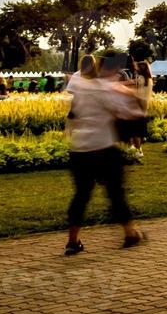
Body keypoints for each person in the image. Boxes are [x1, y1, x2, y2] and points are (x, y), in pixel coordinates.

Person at [65, 54, 144, 255]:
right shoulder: (108, 88)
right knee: (116, 192)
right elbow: (130, 114)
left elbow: (72, 114)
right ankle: (130, 232)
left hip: (79, 148)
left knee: (81, 195)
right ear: (111, 70)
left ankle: (73, 240)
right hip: (102, 147)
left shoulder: (81, 87)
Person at [124, 59, 154, 157]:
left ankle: (135, 149)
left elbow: (134, 90)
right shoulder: (149, 80)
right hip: (144, 106)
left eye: (138, 67)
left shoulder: (140, 78)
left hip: (137, 105)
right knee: (139, 129)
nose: (136, 68)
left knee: (134, 129)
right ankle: (139, 148)